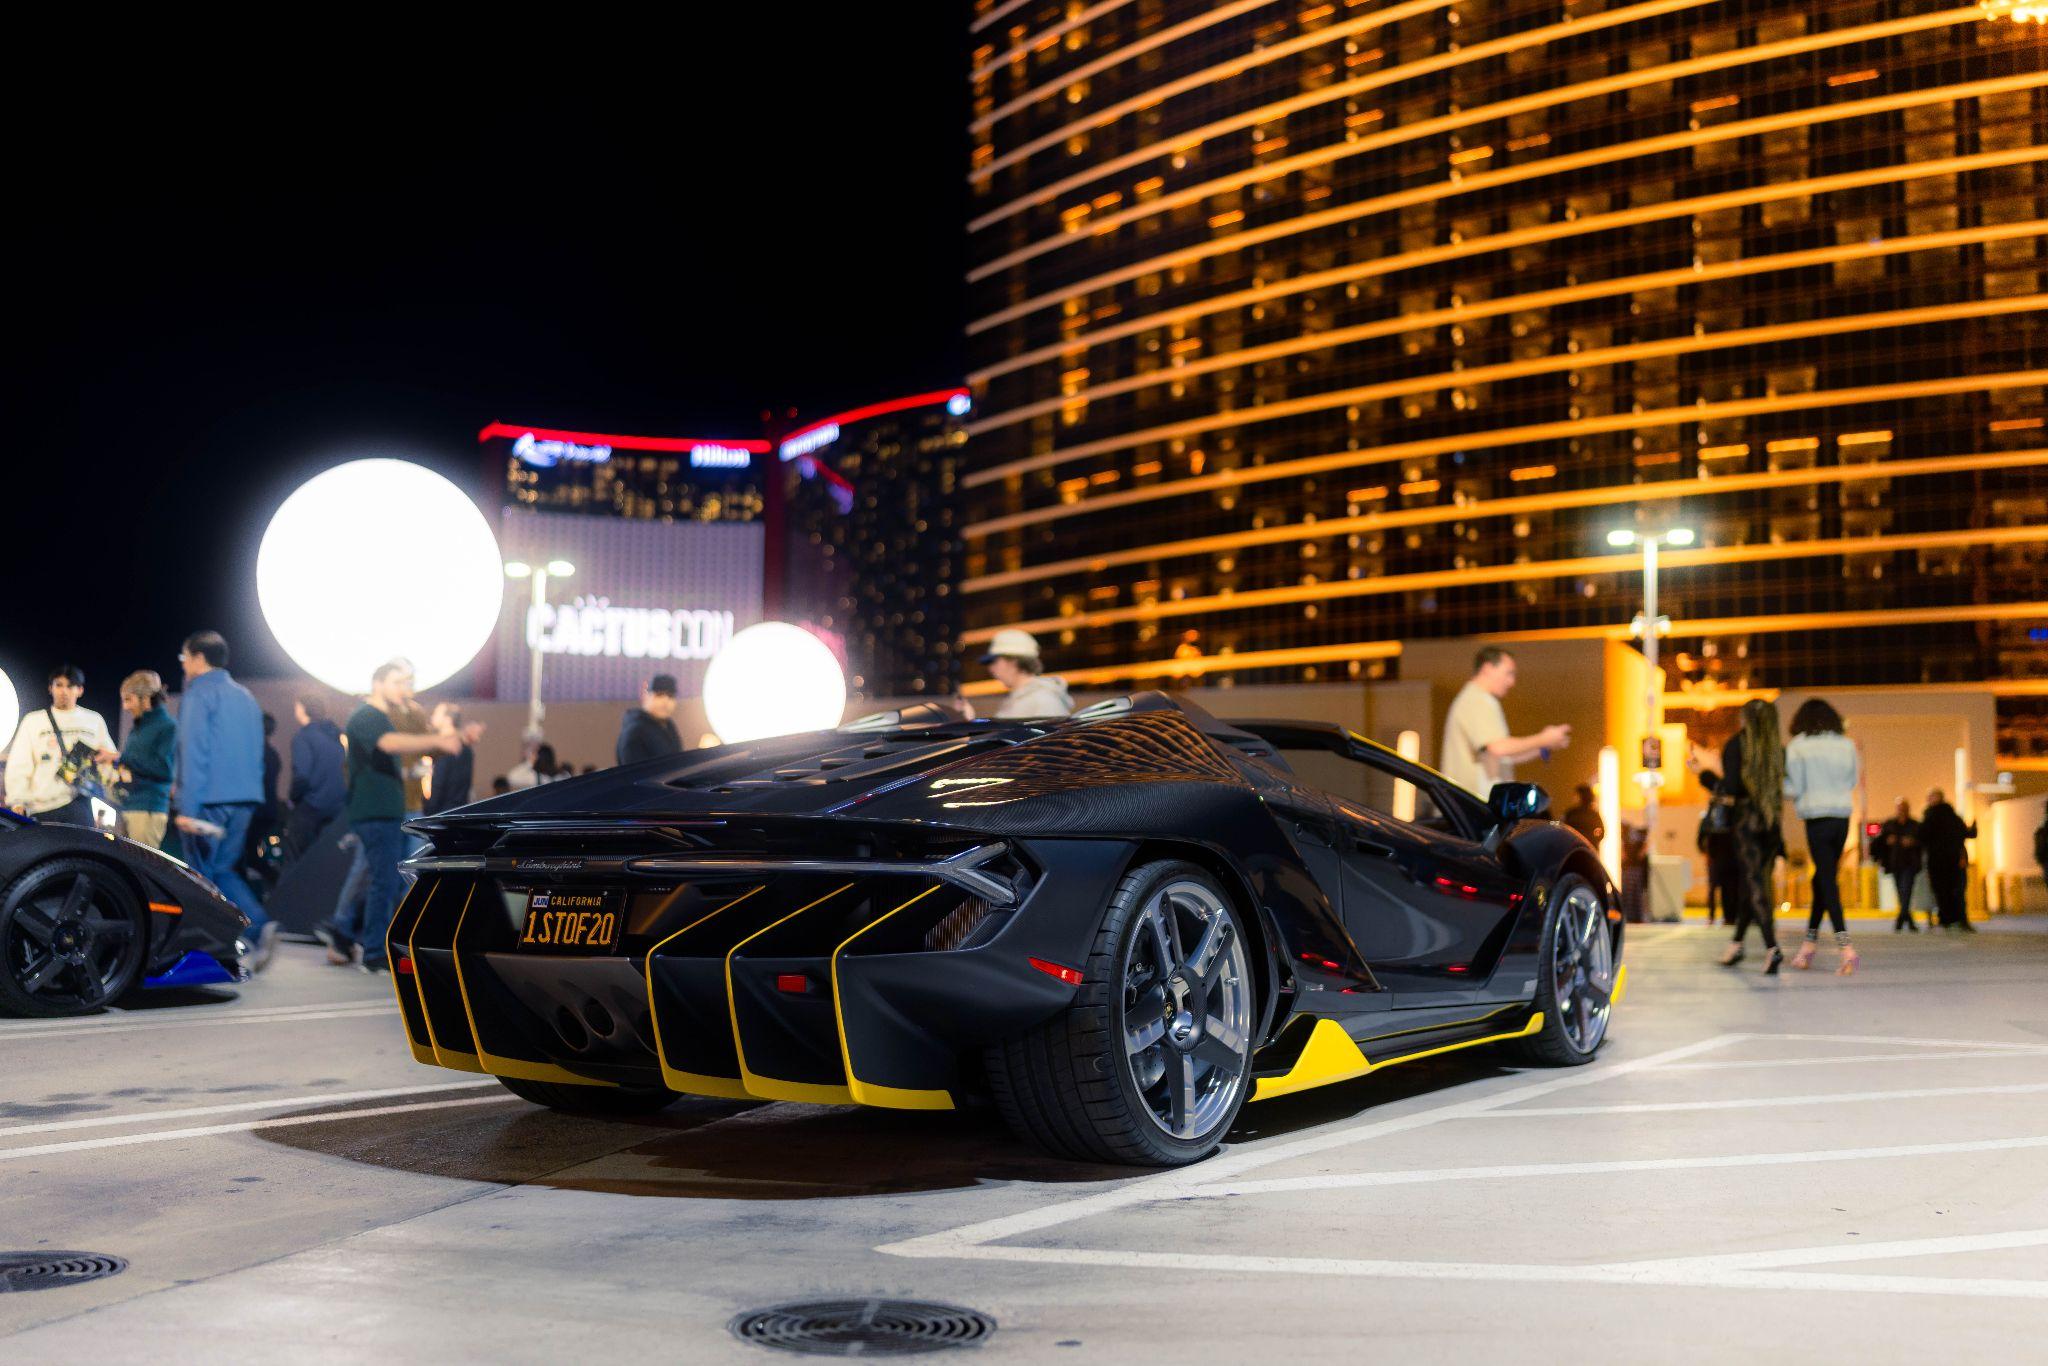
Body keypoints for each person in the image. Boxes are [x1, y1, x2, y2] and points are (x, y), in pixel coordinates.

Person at [336, 660, 482, 971]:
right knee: (382, 881)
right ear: (378, 683)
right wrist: (438, 740)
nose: (404, 688)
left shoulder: (386, 717)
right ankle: (368, 947)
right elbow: (390, 744)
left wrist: (454, 739)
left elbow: (411, 747)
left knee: (385, 880)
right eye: (398, 682)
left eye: (406, 682)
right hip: (375, 812)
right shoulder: (367, 715)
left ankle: (359, 940)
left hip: (388, 811)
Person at [173, 631, 275, 967]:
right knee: (223, 869)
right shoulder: (246, 696)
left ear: (198, 658)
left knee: (201, 877)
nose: (184, 665)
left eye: (185, 657)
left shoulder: (199, 694)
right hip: (245, 797)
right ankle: (250, 930)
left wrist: (187, 807)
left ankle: (216, 944)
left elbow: (194, 752)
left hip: (208, 800)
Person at [1783, 698, 1860, 975]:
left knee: (1827, 881)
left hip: (1817, 818)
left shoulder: (1798, 746)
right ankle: (1808, 945)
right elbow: (1852, 781)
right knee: (1823, 879)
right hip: (1841, 817)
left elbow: (1794, 788)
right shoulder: (1846, 744)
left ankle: (1845, 947)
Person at [1439, 646, 1571, 799]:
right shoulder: (1477, 700)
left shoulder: (1477, 699)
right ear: (1487, 669)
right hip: (1471, 804)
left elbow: (1503, 757)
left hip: (1471, 803)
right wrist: (1544, 739)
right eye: (1509, 673)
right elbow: (1498, 748)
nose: (1512, 682)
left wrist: (1543, 747)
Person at [1717, 698, 1785, 973]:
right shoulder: (1776, 749)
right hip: (1771, 823)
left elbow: (1731, 787)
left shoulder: (1736, 745)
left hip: (1746, 821)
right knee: (1751, 884)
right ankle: (1736, 944)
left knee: (1754, 884)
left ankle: (1772, 947)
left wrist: (1706, 777)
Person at [5, 665, 119, 826]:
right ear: (50, 688)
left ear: (80, 690)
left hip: (79, 802)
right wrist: (17, 801)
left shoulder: (94, 720)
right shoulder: (33, 721)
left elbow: (109, 761)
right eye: (59, 685)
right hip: (41, 807)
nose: (64, 691)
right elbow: (19, 763)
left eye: (70, 686)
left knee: (82, 843)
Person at [115, 671, 176, 847]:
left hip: (148, 808)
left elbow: (164, 769)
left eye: (129, 699)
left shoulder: (167, 726)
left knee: (140, 863)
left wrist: (122, 757)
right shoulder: (138, 727)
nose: (125, 706)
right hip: (127, 805)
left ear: (146, 698)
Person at [285, 695, 347, 859]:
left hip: (312, 805)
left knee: (300, 857)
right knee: (329, 858)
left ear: (302, 709)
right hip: (338, 805)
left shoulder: (303, 737)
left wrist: (293, 798)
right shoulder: (336, 735)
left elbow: (302, 775)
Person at [979, 628, 1074, 721]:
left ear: (1013, 662)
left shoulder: (1042, 700)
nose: (991, 669)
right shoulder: (1024, 698)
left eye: (994, 662)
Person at [1921, 787, 1977, 932]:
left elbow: (1922, 837)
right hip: (1954, 861)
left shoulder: (1931, 817)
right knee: (1957, 891)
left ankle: (1946, 919)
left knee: (1942, 892)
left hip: (1938, 862)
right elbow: (1966, 834)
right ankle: (1960, 919)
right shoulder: (1953, 816)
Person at [1873, 798, 1925, 933]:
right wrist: (1887, 841)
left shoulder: (1915, 825)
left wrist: (1912, 842)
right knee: (1901, 892)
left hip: (1910, 863)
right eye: (1899, 808)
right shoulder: (1889, 825)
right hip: (1895, 863)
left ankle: (1900, 920)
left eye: (1904, 808)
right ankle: (1908, 919)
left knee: (1906, 889)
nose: (1901, 811)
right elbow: (1878, 842)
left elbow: (1923, 842)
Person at [1696, 768, 1736, 926]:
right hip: (1722, 844)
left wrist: (1704, 846)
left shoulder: (1720, 794)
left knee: (1721, 883)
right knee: (1723, 884)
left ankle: (1725, 915)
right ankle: (1726, 915)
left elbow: (1708, 826)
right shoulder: (1716, 797)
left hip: (1722, 842)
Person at [616, 673, 683, 766]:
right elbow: (637, 772)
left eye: (670, 696)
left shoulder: (669, 727)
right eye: (659, 695)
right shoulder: (635, 731)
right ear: (645, 696)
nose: (665, 702)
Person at [423, 702, 475, 815]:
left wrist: (429, 809)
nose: (432, 717)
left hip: (440, 812)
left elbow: (439, 783)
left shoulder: (447, 747)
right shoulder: (465, 748)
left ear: (448, 720)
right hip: (457, 810)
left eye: (436, 714)